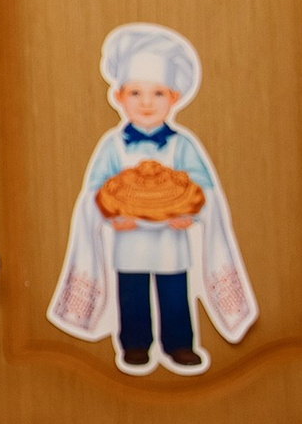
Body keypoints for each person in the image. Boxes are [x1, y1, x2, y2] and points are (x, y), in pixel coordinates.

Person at [46, 22, 255, 375]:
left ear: (174, 98)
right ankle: (135, 344)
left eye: (157, 94)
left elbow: (203, 186)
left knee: (175, 294)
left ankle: (179, 344)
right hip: (129, 241)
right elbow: (95, 190)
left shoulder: (181, 145)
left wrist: (191, 212)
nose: (146, 103)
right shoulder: (112, 147)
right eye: (135, 94)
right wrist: (112, 217)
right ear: (119, 97)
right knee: (132, 295)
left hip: (172, 241)